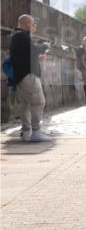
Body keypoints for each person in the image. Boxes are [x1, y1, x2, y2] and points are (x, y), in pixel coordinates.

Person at [10, 14, 50, 142]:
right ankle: (36, 132)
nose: (35, 27)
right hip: (29, 76)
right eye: (34, 24)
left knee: (25, 105)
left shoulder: (16, 36)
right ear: (28, 24)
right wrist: (45, 46)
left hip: (21, 77)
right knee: (39, 102)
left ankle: (27, 132)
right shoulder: (22, 36)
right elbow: (33, 49)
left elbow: (27, 54)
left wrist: (38, 56)